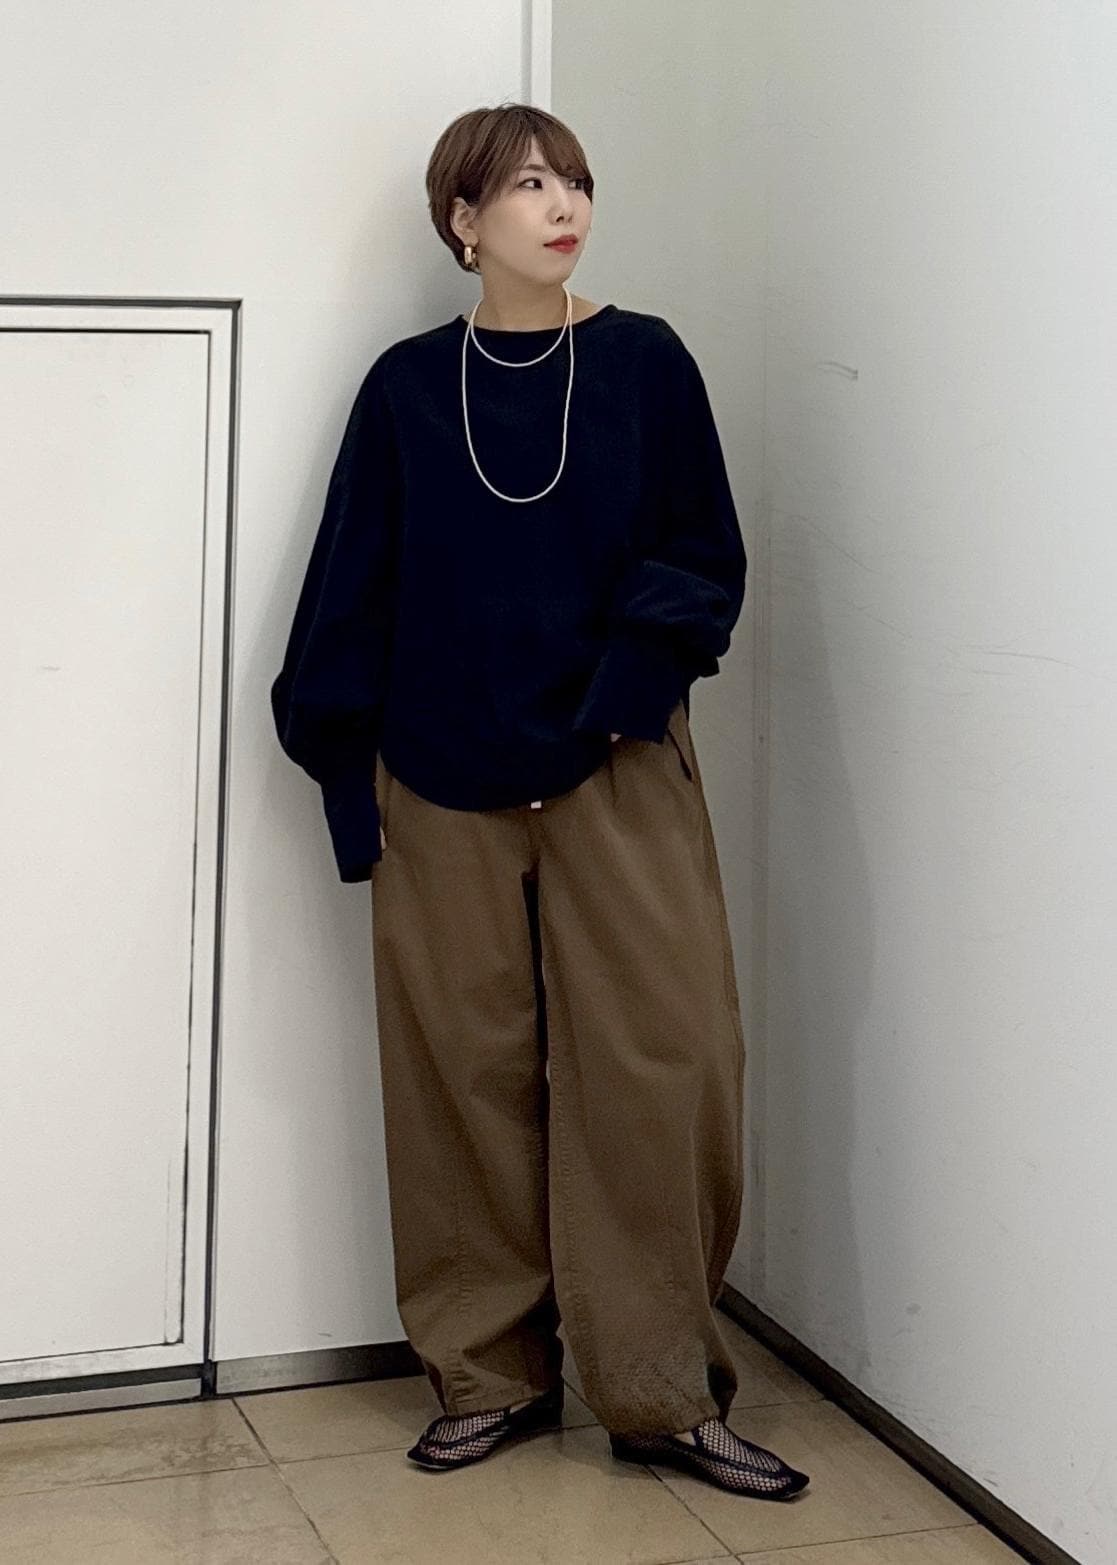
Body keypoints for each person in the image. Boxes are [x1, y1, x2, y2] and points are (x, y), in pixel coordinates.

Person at [270, 102, 809, 1502]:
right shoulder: (406, 387)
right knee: (457, 1076)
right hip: (436, 780)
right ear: (463, 220)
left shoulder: (643, 361)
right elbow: (350, 587)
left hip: (614, 764)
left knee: (660, 1067)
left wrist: (627, 692)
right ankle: (490, 1376)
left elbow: (700, 551)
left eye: (574, 179)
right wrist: (350, 786)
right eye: (525, 184)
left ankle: (659, 1390)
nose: (562, 204)